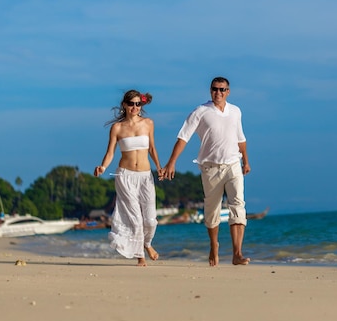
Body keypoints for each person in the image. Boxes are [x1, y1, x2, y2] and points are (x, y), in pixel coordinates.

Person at [164, 77, 251, 266]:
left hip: (233, 164)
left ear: (228, 91)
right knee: (212, 211)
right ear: (210, 90)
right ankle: (214, 245)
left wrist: (246, 160)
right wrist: (172, 162)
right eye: (214, 89)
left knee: (238, 205)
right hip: (210, 168)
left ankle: (237, 253)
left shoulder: (235, 111)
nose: (218, 93)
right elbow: (183, 137)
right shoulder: (200, 112)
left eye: (222, 90)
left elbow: (240, 138)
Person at [94, 89, 163, 266]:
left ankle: (147, 244)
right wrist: (103, 167)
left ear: (141, 105)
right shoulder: (117, 128)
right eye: (131, 104)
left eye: (138, 104)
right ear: (124, 105)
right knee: (135, 218)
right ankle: (140, 256)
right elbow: (110, 152)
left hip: (146, 177)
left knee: (150, 219)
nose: (134, 107)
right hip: (125, 176)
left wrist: (159, 167)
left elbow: (152, 149)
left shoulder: (148, 123)